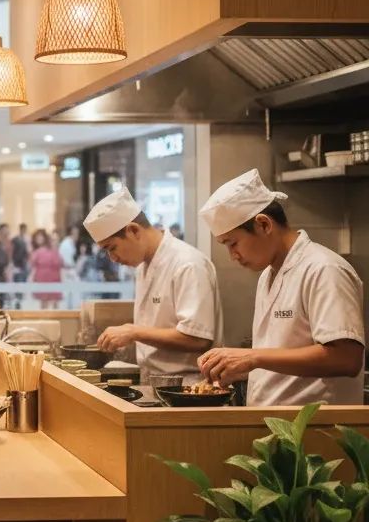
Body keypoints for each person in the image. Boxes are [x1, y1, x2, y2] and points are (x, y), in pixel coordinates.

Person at [197, 169, 364, 406]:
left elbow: (346, 359)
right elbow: (279, 358)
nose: (233, 255)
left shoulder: (323, 269)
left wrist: (252, 357)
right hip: (272, 421)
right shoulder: (268, 274)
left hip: (314, 425)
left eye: (233, 243)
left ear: (264, 224)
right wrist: (238, 368)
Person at [84, 187, 221, 383]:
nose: (112, 258)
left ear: (133, 230)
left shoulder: (187, 264)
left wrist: (133, 332)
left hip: (188, 386)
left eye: (112, 248)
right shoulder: (143, 267)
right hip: (154, 380)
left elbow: (198, 339)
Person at [28, 229, 63, 309]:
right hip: (42, 279)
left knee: (55, 302)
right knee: (44, 302)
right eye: (53, 240)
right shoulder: (38, 252)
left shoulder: (55, 252)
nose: (54, 242)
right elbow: (32, 265)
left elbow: (60, 265)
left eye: (56, 240)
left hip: (54, 279)